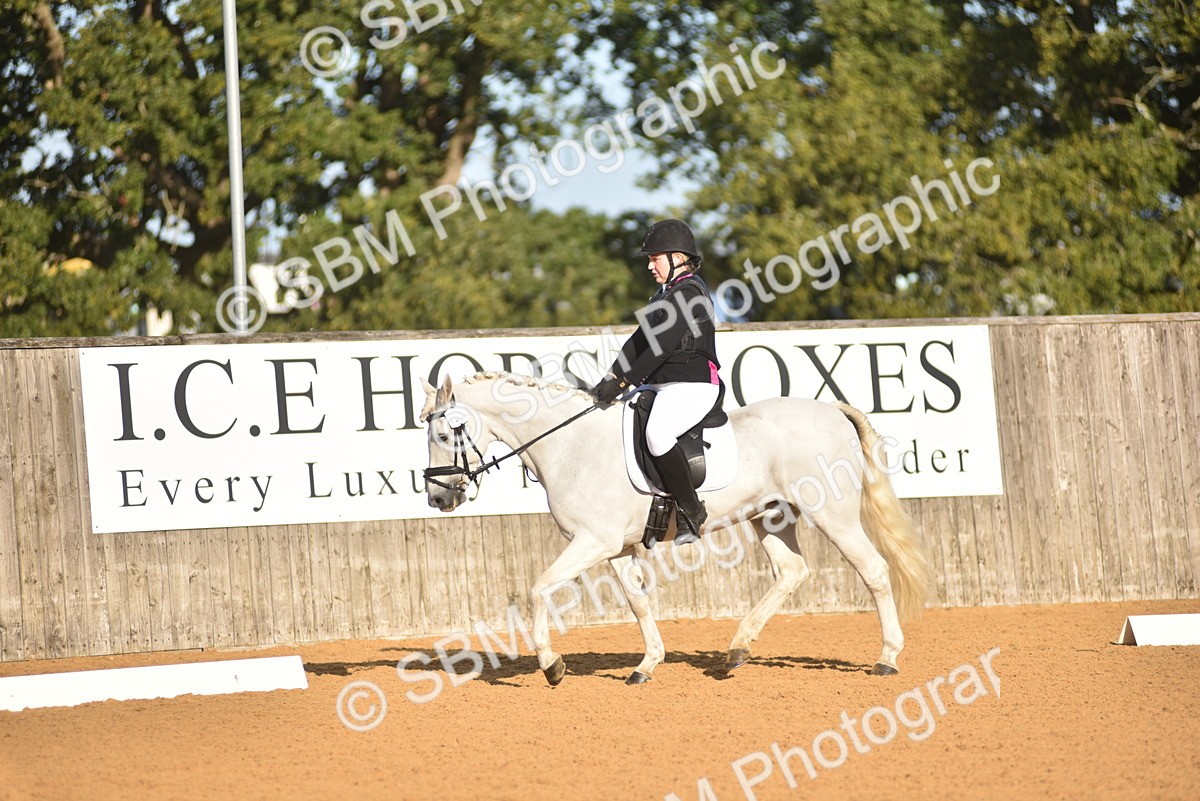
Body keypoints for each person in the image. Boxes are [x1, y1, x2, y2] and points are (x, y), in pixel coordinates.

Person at [591, 219, 721, 545]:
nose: (650, 266)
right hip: (661, 386)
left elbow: (661, 348)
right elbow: (638, 343)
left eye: (655, 258)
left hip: (693, 385)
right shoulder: (661, 296)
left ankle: (691, 509)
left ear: (678, 257)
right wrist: (608, 377)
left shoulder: (690, 292)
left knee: (657, 434)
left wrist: (624, 384)